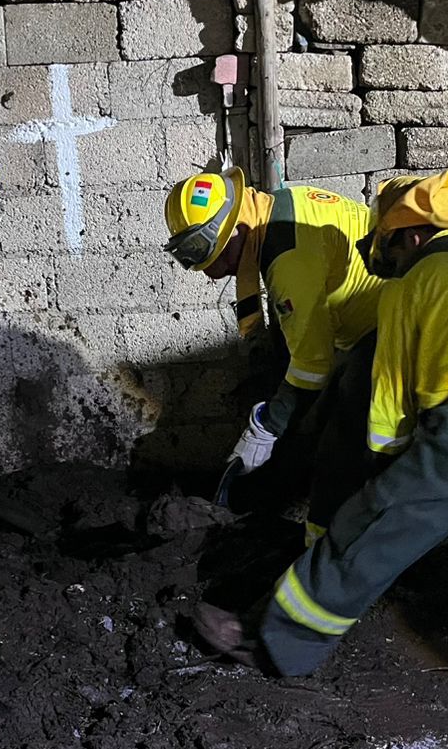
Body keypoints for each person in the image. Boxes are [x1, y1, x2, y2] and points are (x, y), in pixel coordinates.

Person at [195, 172, 448, 676]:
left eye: (391, 245)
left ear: (415, 236)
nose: (391, 258)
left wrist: (381, 476)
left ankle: (272, 641)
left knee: (367, 530)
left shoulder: (416, 282)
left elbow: (391, 396)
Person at [163, 167, 382, 540]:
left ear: (235, 228)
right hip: (372, 314)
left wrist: (268, 425)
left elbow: (313, 366)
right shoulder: (275, 206)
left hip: (385, 325)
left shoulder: (287, 260)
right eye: (188, 255)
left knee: (339, 439)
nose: (204, 270)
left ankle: (333, 541)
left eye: (203, 252)